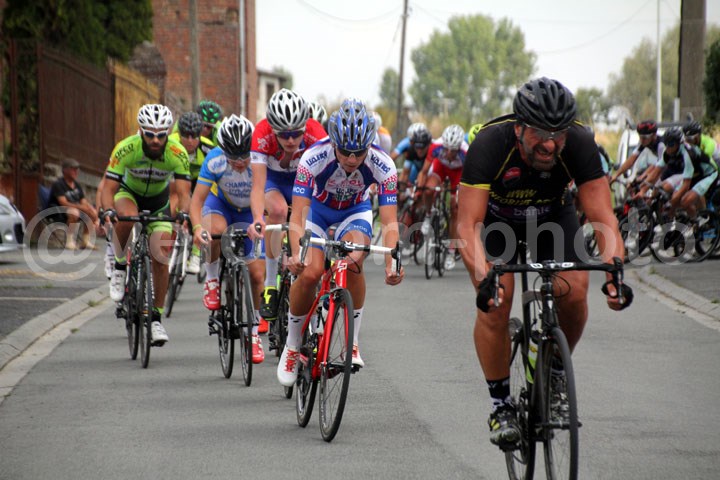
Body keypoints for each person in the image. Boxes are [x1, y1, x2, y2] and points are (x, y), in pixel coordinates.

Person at [456, 77, 632, 448]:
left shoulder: (580, 143)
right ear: (519, 128)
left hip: (551, 217)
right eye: (539, 132)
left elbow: (602, 215)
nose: (550, 143)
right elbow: (467, 224)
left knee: (575, 289)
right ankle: (501, 406)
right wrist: (484, 276)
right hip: (497, 222)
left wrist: (614, 271)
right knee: (496, 301)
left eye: (558, 134)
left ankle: (554, 373)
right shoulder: (490, 143)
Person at [277, 98, 404, 387]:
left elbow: (390, 222)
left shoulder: (384, 165)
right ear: (334, 143)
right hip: (317, 212)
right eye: (345, 151)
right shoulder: (313, 157)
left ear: (369, 146)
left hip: (354, 212)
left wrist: (392, 263)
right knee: (311, 271)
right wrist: (296, 253)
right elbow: (297, 214)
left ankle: (352, 343)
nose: (351, 159)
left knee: (354, 260)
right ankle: (292, 346)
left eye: (359, 152)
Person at [102, 104, 192, 345]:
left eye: (161, 135)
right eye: (150, 134)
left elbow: (184, 193)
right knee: (126, 218)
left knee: (161, 256)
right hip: (128, 193)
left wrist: (183, 213)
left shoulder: (177, 152)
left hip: (158, 201)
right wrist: (108, 209)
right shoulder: (126, 148)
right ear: (141, 131)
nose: (155, 140)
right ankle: (119, 266)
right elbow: (108, 188)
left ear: (168, 133)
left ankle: (155, 319)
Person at [249, 88, 327, 334]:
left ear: (305, 127)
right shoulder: (261, 134)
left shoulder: (316, 133)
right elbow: (258, 186)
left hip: (305, 183)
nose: (291, 140)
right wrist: (257, 218)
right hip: (275, 182)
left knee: (311, 222)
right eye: (284, 135)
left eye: (296, 134)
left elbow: (326, 180)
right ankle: (271, 284)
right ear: (273, 129)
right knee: (279, 211)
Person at [190, 114, 267, 364]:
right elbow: (196, 201)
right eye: (234, 159)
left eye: (244, 157)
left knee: (257, 275)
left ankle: (254, 333)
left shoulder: (260, 159)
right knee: (213, 232)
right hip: (221, 206)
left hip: (250, 212)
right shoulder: (214, 160)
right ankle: (212, 278)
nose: (240, 163)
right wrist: (197, 228)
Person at [635, 127, 718, 218]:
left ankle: (701, 221)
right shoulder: (667, 152)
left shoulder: (688, 154)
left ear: (679, 143)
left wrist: (673, 205)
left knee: (684, 201)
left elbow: (686, 185)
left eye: (671, 144)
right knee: (676, 199)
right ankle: (693, 219)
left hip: (708, 175)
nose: (668, 148)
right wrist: (642, 190)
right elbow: (656, 172)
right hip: (695, 174)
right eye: (666, 144)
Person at [169, 111, 215, 274]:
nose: (190, 140)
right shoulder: (171, 143)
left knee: (204, 206)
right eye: (185, 136)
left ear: (200, 135)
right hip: (177, 178)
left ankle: (196, 253)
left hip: (199, 181)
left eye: (194, 136)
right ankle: (170, 232)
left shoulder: (208, 148)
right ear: (179, 133)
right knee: (175, 197)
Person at [417, 124, 468, 270]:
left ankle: (451, 251)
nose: (449, 153)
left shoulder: (466, 152)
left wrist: (458, 193)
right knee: (428, 190)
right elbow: (424, 171)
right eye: (447, 149)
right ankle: (428, 215)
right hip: (441, 167)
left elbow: (469, 178)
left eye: (453, 150)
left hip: (458, 172)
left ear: (459, 147)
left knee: (455, 207)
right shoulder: (436, 146)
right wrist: (419, 188)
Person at [48, 158, 100, 250]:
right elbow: (63, 203)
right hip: (58, 211)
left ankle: (85, 241)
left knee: (90, 212)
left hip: (75, 210)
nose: (76, 171)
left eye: (77, 169)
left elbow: (83, 201)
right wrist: (82, 208)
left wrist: (91, 209)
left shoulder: (77, 185)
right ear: (65, 170)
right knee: (74, 212)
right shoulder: (58, 184)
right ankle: (69, 242)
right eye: (73, 169)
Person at [610, 120, 665, 184]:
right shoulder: (643, 142)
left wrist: (643, 177)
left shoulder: (661, 146)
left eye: (644, 137)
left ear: (654, 135)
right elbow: (631, 160)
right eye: (640, 136)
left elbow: (659, 168)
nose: (641, 140)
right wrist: (616, 175)